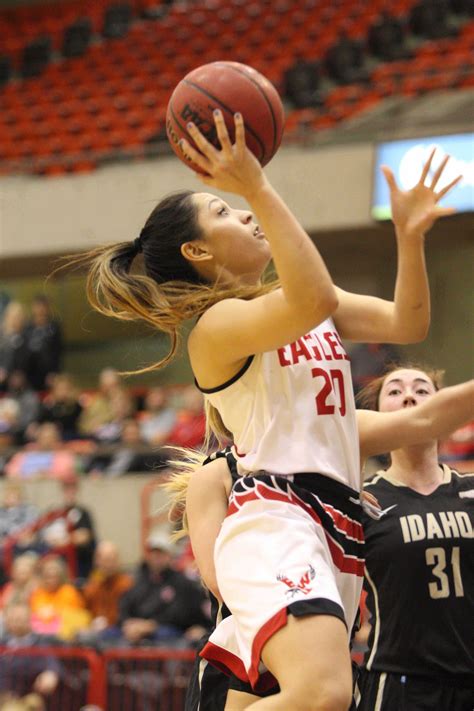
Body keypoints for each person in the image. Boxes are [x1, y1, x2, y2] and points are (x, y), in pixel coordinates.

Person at [72, 111, 459, 709]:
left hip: (336, 520)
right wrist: (255, 182)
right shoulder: (216, 327)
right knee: (324, 693)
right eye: (224, 211)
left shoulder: (298, 306)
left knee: (301, 701)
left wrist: (409, 239)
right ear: (196, 249)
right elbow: (315, 295)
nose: (245, 213)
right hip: (278, 513)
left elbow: (409, 322)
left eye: (237, 203)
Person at [165, 371, 474, 710]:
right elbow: (221, 583)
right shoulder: (218, 474)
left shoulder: (330, 471)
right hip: (251, 649)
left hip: (326, 643)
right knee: (322, 694)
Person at [355, 366, 474, 711]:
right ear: (376, 418)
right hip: (400, 684)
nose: (409, 395)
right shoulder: (364, 501)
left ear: (443, 408)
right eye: (394, 391)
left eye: (422, 390)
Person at [118, 532, 210, 646]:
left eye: (161, 553)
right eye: (153, 552)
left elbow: (181, 614)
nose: (156, 556)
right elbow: (126, 604)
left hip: (171, 632)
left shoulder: (182, 583)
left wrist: (150, 625)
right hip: (137, 630)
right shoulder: (139, 580)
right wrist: (129, 623)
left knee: (165, 636)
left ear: (170, 555)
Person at [41, 476, 96, 581]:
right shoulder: (55, 512)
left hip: (80, 560)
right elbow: (47, 536)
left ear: (77, 490)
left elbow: (84, 537)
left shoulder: (83, 512)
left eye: (72, 488)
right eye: (66, 489)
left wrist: (64, 540)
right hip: (57, 559)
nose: (69, 492)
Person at [82, 540, 133, 637]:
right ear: (96, 561)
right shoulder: (92, 586)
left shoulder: (127, 584)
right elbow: (86, 612)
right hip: (95, 631)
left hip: (119, 633)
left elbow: (126, 617)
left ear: (118, 561)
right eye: (105, 560)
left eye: (112, 560)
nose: (108, 564)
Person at [24, 295, 62, 392]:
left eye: (43, 306)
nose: (40, 309)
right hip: (30, 372)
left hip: (49, 372)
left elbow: (58, 351)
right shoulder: (27, 327)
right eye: (38, 306)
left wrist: (54, 372)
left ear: (47, 308)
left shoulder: (54, 327)